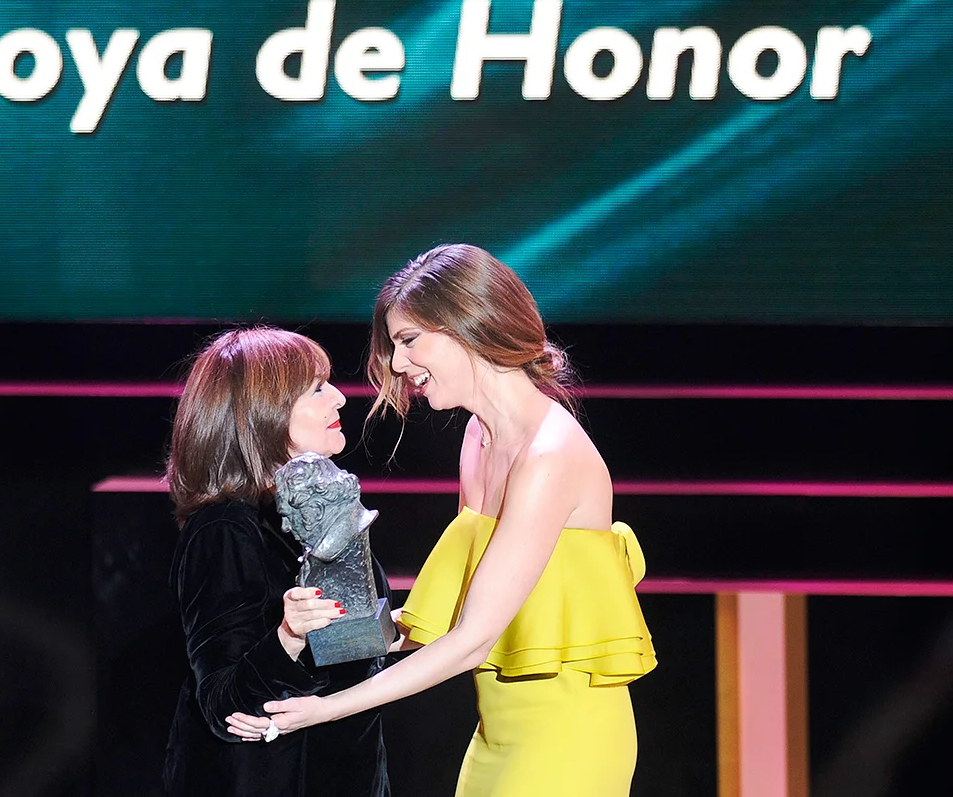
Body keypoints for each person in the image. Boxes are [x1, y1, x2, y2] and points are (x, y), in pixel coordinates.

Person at [227, 245, 657, 796]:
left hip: (567, 741)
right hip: (496, 736)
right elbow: (454, 615)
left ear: (470, 325)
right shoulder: (479, 438)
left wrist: (323, 710)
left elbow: (474, 640)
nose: (399, 365)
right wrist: (301, 641)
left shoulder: (551, 458)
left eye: (409, 341)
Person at [163, 326, 391, 797]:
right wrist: (287, 636)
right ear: (263, 413)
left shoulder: (317, 515)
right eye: (317, 388)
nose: (340, 400)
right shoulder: (226, 529)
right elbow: (225, 706)